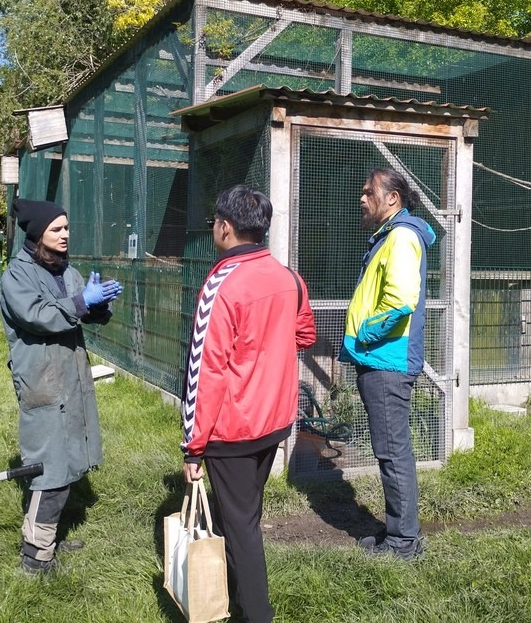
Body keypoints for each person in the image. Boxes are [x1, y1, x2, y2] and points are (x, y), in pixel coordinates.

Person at [181, 184, 316, 622]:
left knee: (240, 528)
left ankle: (258, 613)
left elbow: (205, 370)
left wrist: (193, 446)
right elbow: (304, 334)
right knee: (244, 515)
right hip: (274, 422)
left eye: (213, 223)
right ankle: (237, 599)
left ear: (225, 227)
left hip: (232, 428)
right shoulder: (289, 278)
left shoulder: (220, 284)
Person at [0, 198, 122, 576]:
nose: (65, 234)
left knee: (67, 461)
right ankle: (35, 559)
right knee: (49, 471)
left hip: (70, 378)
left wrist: (98, 305)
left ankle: (48, 538)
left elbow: (82, 311)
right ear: (38, 233)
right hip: (43, 381)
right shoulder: (16, 276)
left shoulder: (67, 271)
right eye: (57, 229)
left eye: (66, 227)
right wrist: (81, 302)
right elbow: (39, 316)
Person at [338, 168, 435, 561]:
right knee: (391, 450)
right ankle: (400, 532)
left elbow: (400, 301)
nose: (362, 199)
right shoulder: (391, 236)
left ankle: (403, 543)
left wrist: (365, 335)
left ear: (392, 198)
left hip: (386, 360)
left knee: (392, 452)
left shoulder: (401, 237)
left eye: (369, 192)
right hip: (381, 359)